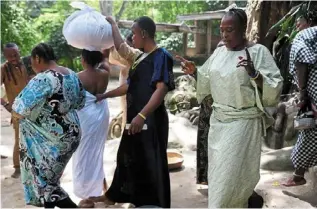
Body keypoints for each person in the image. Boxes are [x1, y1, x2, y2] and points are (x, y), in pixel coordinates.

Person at [177, 8, 283, 207]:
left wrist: (254, 73)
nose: (224, 35)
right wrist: (194, 73)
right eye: (222, 30)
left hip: (243, 124)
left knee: (231, 179)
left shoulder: (258, 52)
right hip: (219, 125)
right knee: (219, 179)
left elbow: (275, 86)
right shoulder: (219, 53)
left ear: (243, 29)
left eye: (230, 30)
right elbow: (207, 82)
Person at [92, 16, 175, 208]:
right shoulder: (140, 57)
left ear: (144, 34)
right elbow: (129, 86)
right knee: (129, 155)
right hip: (136, 117)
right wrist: (104, 96)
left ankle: (155, 203)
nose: (132, 37)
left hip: (150, 119)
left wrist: (142, 115)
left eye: (134, 33)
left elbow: (161, 90)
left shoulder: (162, 56)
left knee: (150, 159)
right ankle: (117, 196)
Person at [11, 43, 85, 208]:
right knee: (49, 183)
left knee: (45, 184)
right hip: (72, 135)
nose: (31, 66)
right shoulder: (72, 74)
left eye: (32, 61)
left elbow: (19, 108)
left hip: (52, 141)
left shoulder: (44, 78)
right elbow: (81, 102)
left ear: (37, 58)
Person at [72, 49, 110, 199]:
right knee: (97, 152)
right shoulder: (105, 73)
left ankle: (86, 193)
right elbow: (106, 59)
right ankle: (102, 187)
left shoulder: (77, 77)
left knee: (83, 154)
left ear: (84, 59)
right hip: (101, 117)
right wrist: (104, 51)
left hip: (86, 119)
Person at [283, 26, 317, 187]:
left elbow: (301, 60)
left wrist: (302, 91)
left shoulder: (304, 35)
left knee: (310, 131)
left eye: (299, 21)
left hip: (314, 91)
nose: (296, 24)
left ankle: (298, 175)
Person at [0, 43, 35, 178]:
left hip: (33, 108)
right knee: (19, 139)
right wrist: (5, 104)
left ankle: (33, 166)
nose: (14, 58)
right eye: (10, 56)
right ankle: (17, 168)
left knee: (35, 138)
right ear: (5, 56)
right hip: (17, 110)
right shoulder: (3, 69)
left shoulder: (28, 64)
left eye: (15, 54)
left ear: (19, 52)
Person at [109, 33, 134, 130]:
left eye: (128, 46)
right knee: (125, 113)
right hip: (125, 96)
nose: (126, 48)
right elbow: (112, 55)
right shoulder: (123, 56)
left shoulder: (137, 56)